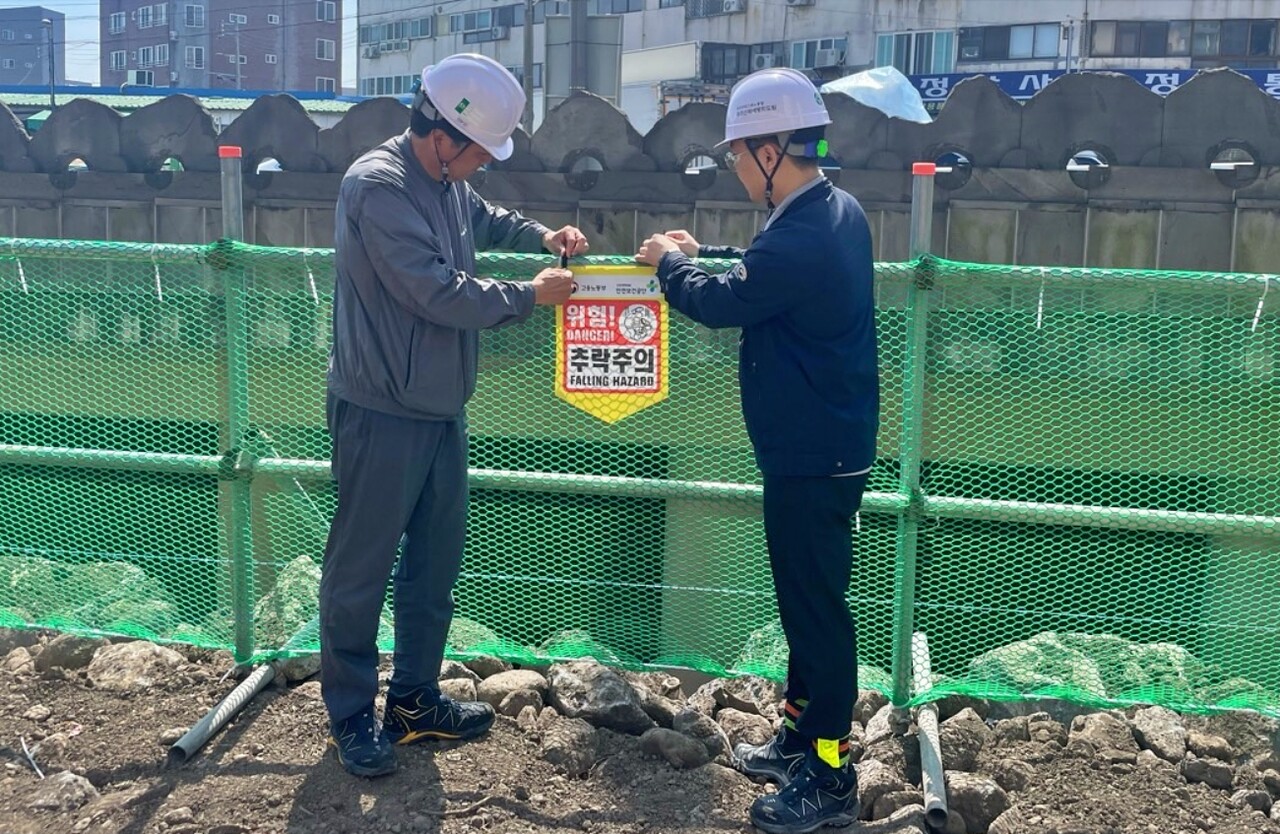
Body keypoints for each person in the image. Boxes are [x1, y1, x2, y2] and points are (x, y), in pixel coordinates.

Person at [321, 52, 587, 778]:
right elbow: (436, 292)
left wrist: (541, 236)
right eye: (477, 151)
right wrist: (531, 295)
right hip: (380, 409)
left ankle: (412, 704)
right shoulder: (377, 186)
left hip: (438, 408)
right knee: (361, 570)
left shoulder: (444, 180)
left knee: (433, 566)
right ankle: (351, 715)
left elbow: (483, 216)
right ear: (442, 135)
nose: (479, 165)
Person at [635, 67, 878, 834]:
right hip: (819, 447)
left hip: (812, 455)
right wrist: (700, 246)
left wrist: (669, 264)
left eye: (739, 153)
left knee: (818, 620)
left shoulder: (802, 232)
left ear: (773, 151)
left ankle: (831, 779)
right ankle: (800, 742)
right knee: (807, 611)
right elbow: (758, 265)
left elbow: (722, 299)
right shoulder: (832, 212)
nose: (734, 166)